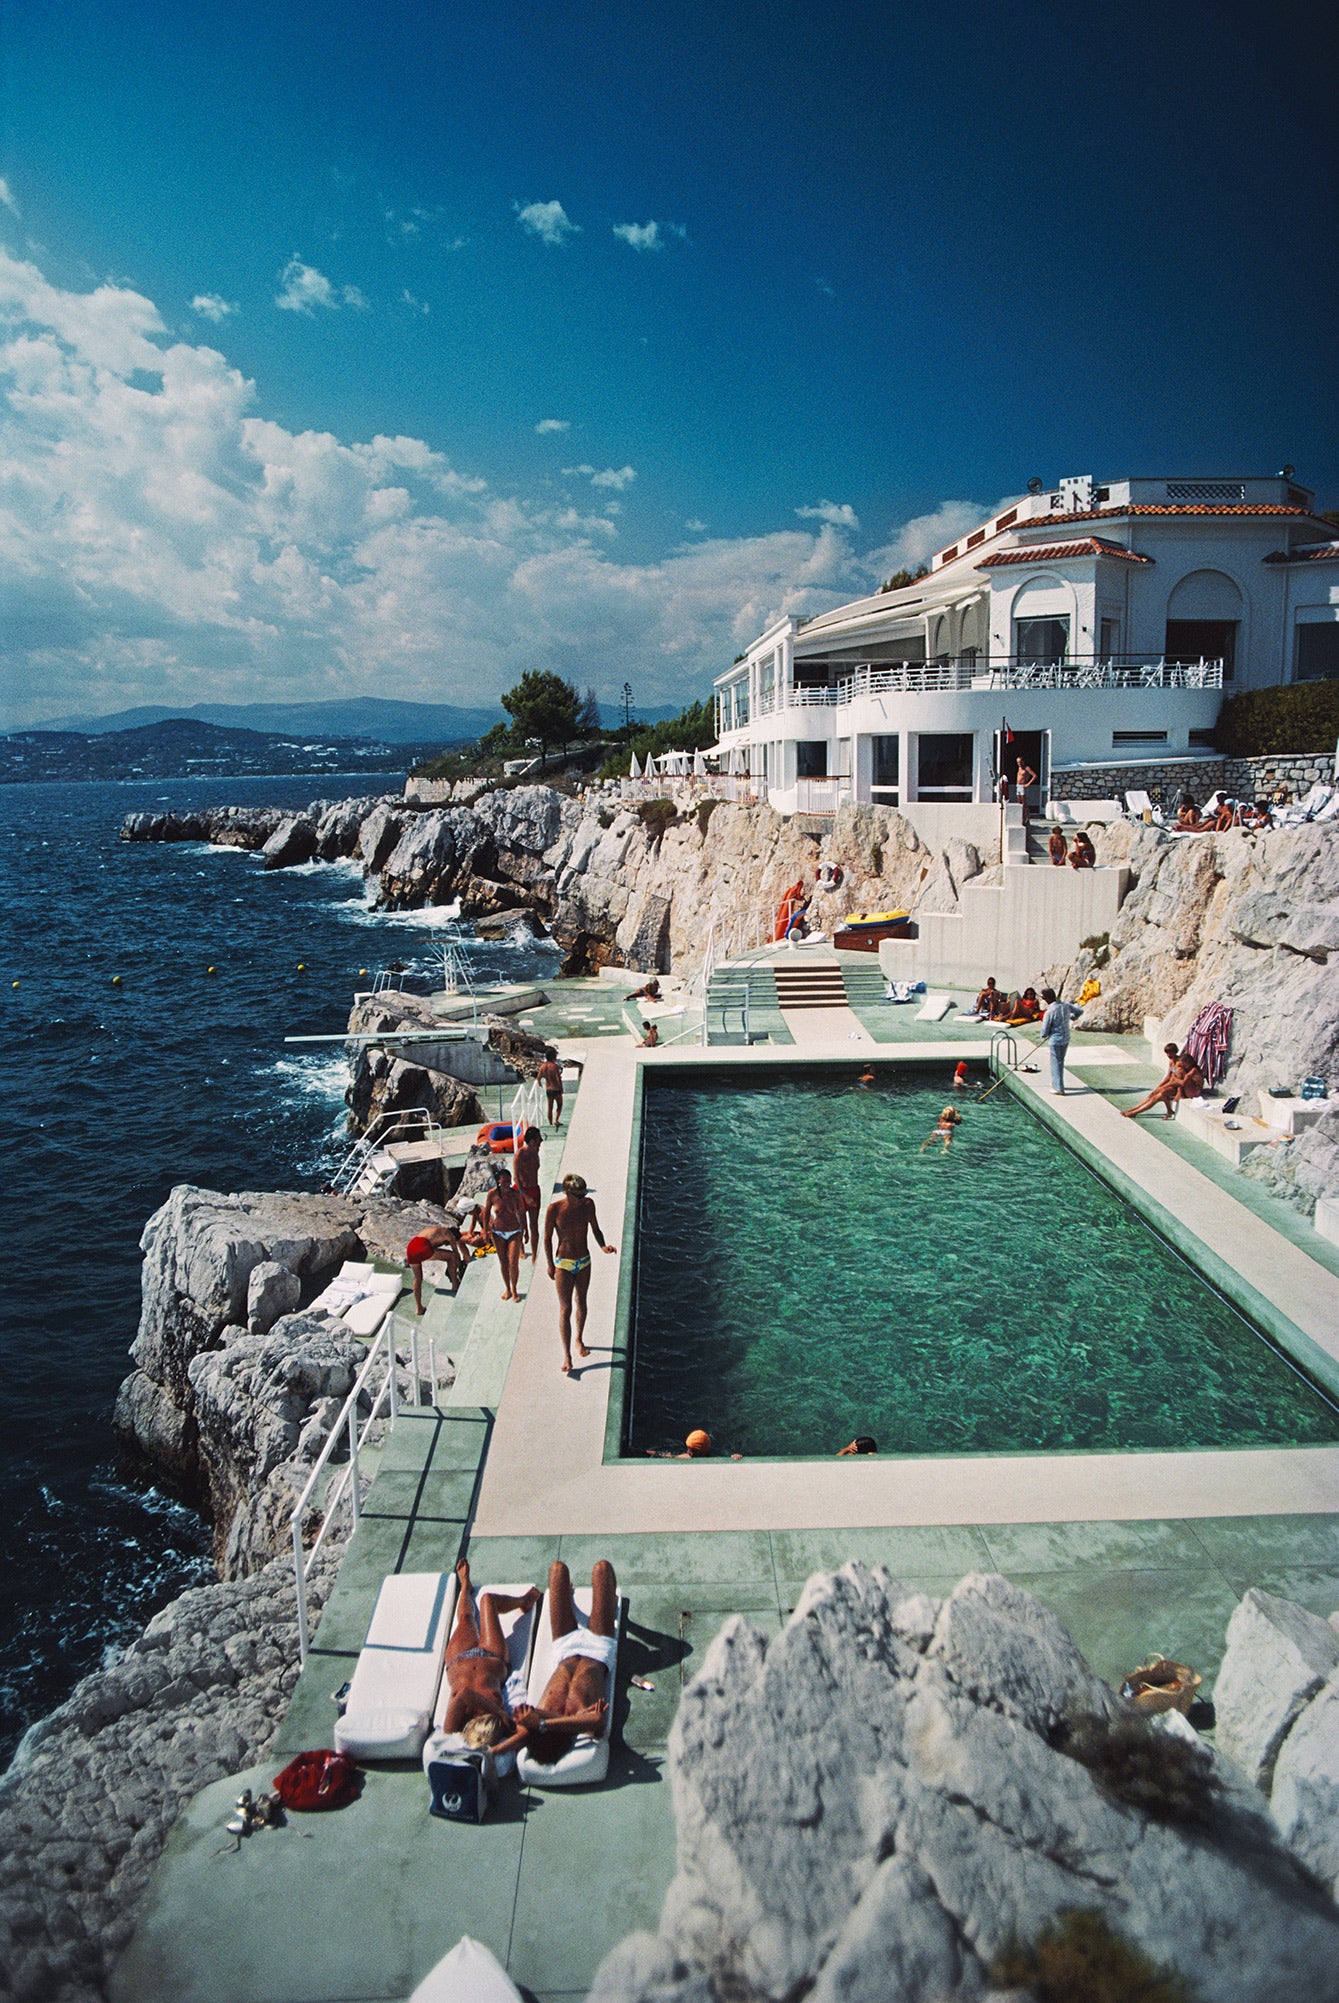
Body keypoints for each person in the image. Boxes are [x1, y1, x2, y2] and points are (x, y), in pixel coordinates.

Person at [511, 1561, 618, 1765]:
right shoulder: (584, 1724)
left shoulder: (536, 1718)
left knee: (557, 1569)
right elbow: (597, 1721)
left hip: (565, 1648)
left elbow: (523, 1714)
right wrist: (543, 1724)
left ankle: (572, 1597)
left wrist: (540, 1722)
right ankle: (609, 1600)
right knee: (602, 1568)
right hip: (598, 1649)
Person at [438, 1560, 542, 1757]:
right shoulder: (503, 1727)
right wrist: (495, 1750)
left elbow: (463, 1693)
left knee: (466, 1617)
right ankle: (523, 1602)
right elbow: (526, 1734)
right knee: (488, 1600)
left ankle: (465, 1586)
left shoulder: (452, 1729)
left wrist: (498, 1712)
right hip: (492, 1656)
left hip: (458, 1659)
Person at [544, 1172, 616, 1374]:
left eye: (584, 1194)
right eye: (579, 1195)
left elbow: (595, 1229)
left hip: (584, 1260)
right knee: (565, 1309)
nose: (582, 1198)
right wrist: (550, 1264)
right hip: (563, 1263)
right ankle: (567, 1355)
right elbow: (547, 1238)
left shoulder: (587, 1205)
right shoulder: (554, 1210)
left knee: (581, 1302)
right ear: (567, 1192)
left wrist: (603, 1246)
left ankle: (579, 1339)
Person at [1122, 1043, 1206, 1120]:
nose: (1168, 1055)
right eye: (1167, 1053)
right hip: (1175, 1085)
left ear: (1175, 1052)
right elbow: (1169, 1077)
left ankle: (1135, 1112)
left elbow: (1180, 1081)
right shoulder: (1171, 1062)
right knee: (1153, 1094)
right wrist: (1160, 1086)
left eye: (1170, 1053)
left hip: (1179, 1088)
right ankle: (1133, 1110)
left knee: (1158, 1095)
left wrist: (1167, 1086)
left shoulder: (1179, 1065)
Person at [482, 1167, 527, 1302]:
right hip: (498, 1232)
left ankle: (514, 1289)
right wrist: (485, 1230)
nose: (507, 1184)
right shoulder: (492, 1195)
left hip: (514, 1231)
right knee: (503, 1262)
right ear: (498, 1181)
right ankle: (507, 1288)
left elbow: (522, 1212)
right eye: (504, 1182)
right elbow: (486, 1213)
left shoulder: (516, 1194)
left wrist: (526, 1231)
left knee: (513, 1263)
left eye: (509, 1181)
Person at [405, 1223, 465, 1314]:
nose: (446, 1244)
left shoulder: (435, 1229)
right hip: (422, 1247)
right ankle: (455, 1285)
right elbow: (456, 1253)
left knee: (417, 1278)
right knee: (451, 1256)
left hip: (411, 1248)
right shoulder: (449, 1234)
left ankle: (419, 1308)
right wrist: (460, 1265)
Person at [1038, 986, 1083, 1094]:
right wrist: (1072, 1017)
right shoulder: (1065, 1005)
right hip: (1066, 1038)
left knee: (1056, 1062)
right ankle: (1056, 1082)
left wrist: (1044, 1035)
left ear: (1047, 999)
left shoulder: (1049, 1011)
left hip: (1055, 1040)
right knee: (1060, 1061)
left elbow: (1045, 1030)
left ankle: (1058, 1088)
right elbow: (1079, 1011)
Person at [513, 1124, 543, 1261]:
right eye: (538, 1139)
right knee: (520, 1223)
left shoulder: (535, 1152)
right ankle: (521, 1250)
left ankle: (535, 1253)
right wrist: (526, 1196)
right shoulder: (520, 1154)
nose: (541, 1141)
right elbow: (516, 1178)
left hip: (534, 1189)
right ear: (532, 1141)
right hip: (521, 1191)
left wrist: (531, 1196)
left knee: (534, 1224)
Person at [537, 1051, 565, 1127]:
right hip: (556, 1089)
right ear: (553, 1057)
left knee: (550, 1108)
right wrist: (561, 1088)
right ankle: (556, 1120)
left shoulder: (543, 1066)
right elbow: (557, 1078)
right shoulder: (554, 1066)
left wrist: (540, 1084)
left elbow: (538, 1077)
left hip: (548, 1089)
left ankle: (550, 1123)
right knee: (559, 1105)